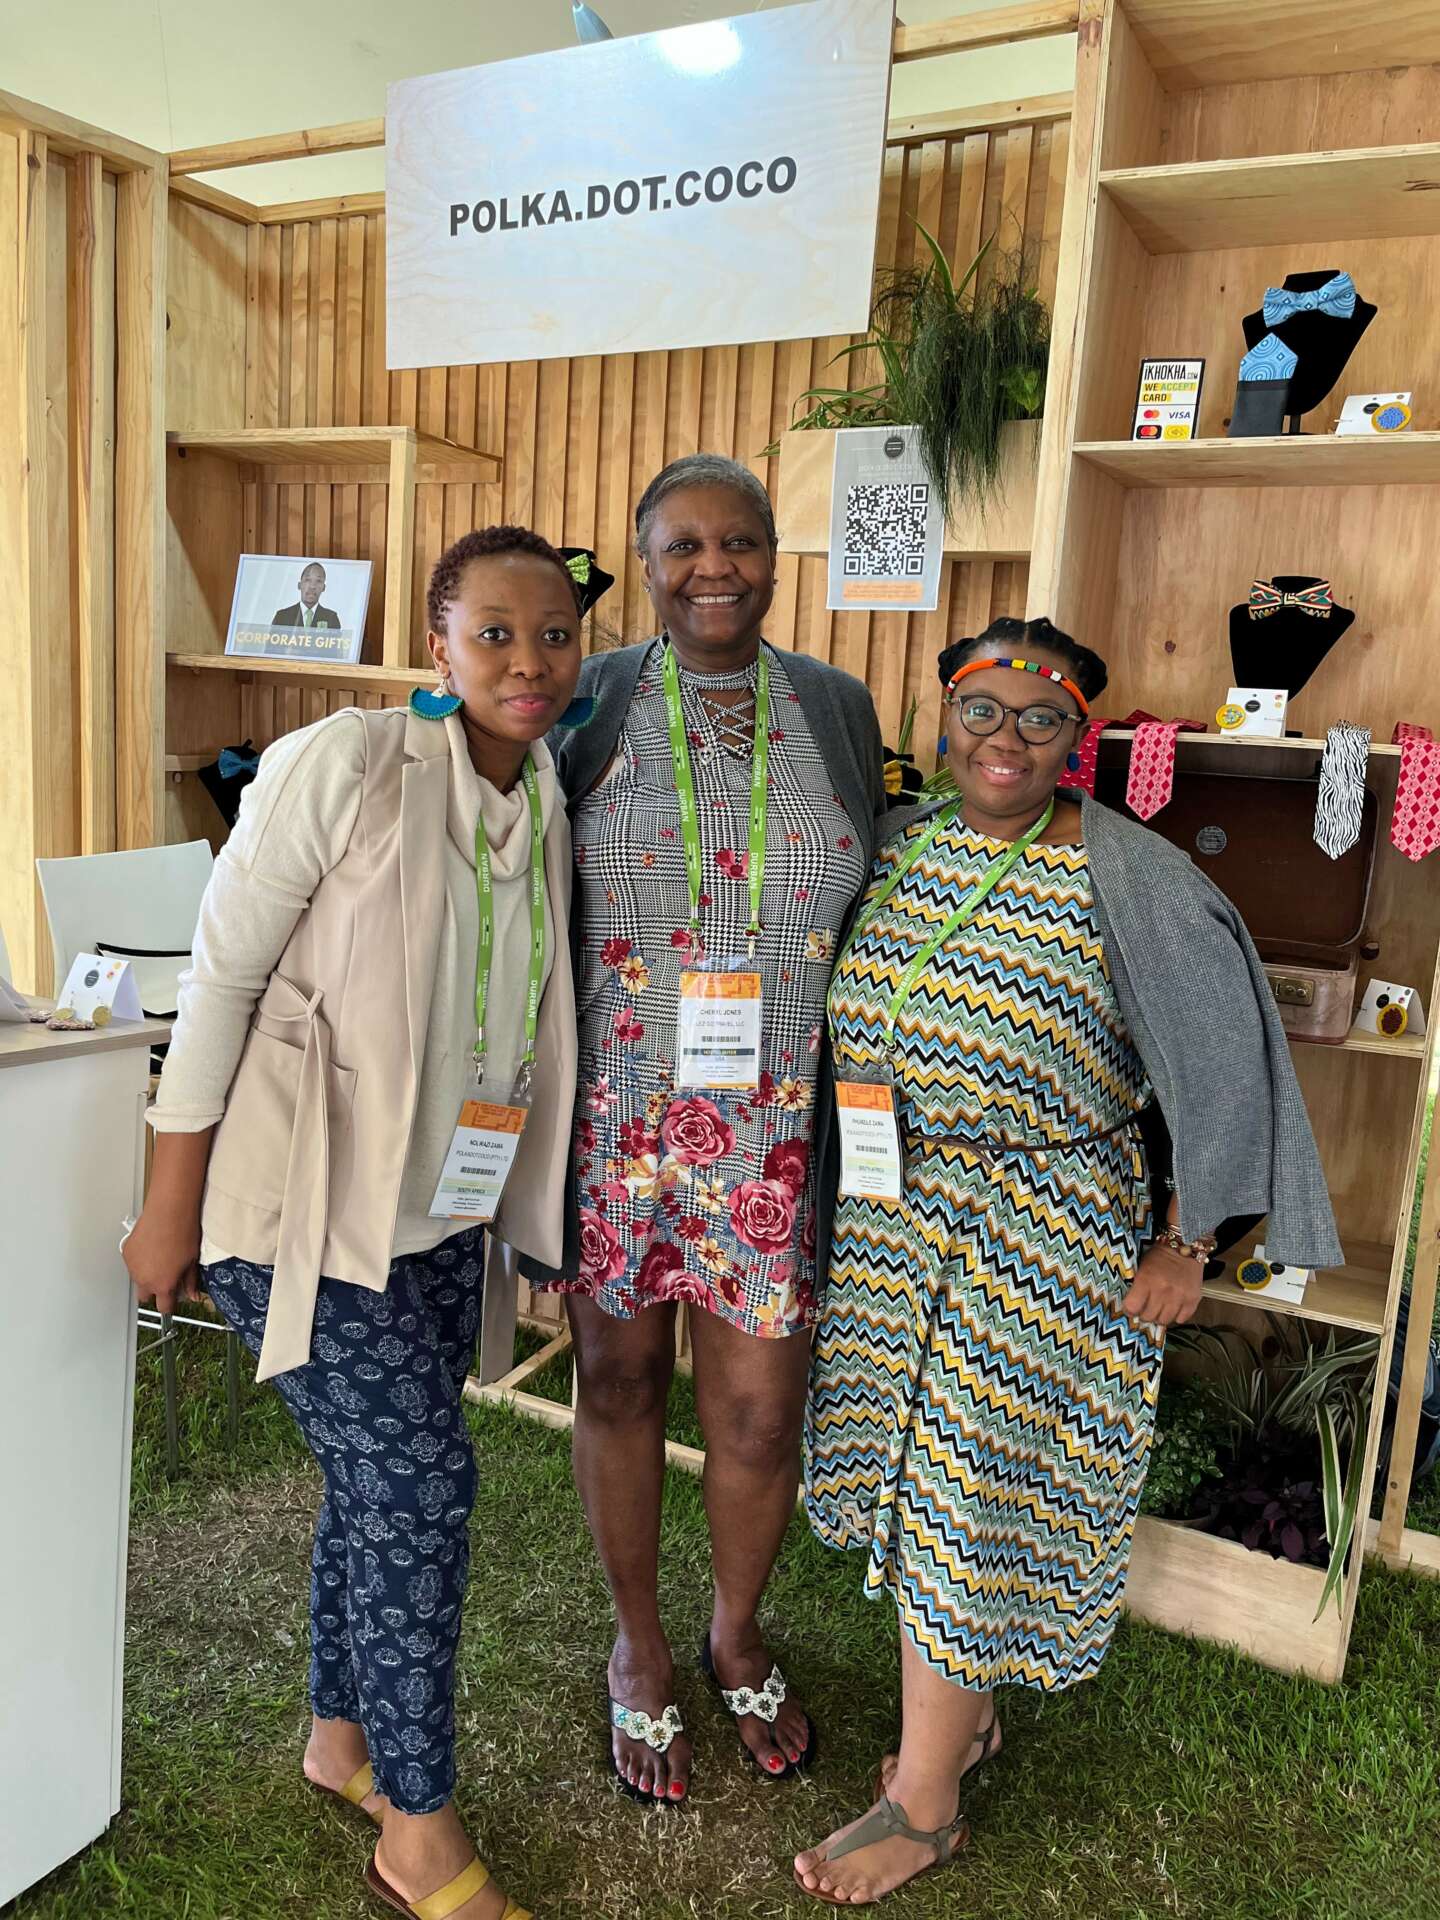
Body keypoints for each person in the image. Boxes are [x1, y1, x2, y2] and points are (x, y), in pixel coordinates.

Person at [796, 616, 1341, 1904]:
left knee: (968, 1497)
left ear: (1076, 738)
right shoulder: (902, 842)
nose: (1007, 739)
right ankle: (966, 1724)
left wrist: (1185, 1238)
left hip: (1040, 1233)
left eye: (1041, 719)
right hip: (894, 1221)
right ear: (945, 716)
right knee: (918, 1485)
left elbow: (1224, 1061)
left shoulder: (1131, 876)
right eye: (982, 710)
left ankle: (925, 1807)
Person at [124, 526, 605, 1920]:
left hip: (436, 1215)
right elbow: (221, 980)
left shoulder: (541, 787)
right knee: (421, 1489)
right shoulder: (343, 762)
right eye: (495, 631)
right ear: (437, 643)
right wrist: (170, 1205)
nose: (529, 659)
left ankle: (340, 1741)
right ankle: (420, 1826)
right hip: (298, 1211)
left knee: (377, 1483)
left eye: (555, 634)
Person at [528, 452, 888, 1803]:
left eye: (739, 541)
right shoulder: (591, 699)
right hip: (617, 1127)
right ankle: (638, 1646)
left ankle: (735, 1635)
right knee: (617, 1385)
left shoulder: (836, 707)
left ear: (775, 558)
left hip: (777, 1131)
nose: (713, 567)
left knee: (757, 1417)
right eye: (682, 545)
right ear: (642, 561)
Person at [273, 560, 342, 629]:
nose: (312, 586)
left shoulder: (331, 618)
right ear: (299, 585)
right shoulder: (282, 616)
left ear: (323, 588)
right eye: (308, 580)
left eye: (318, 581)